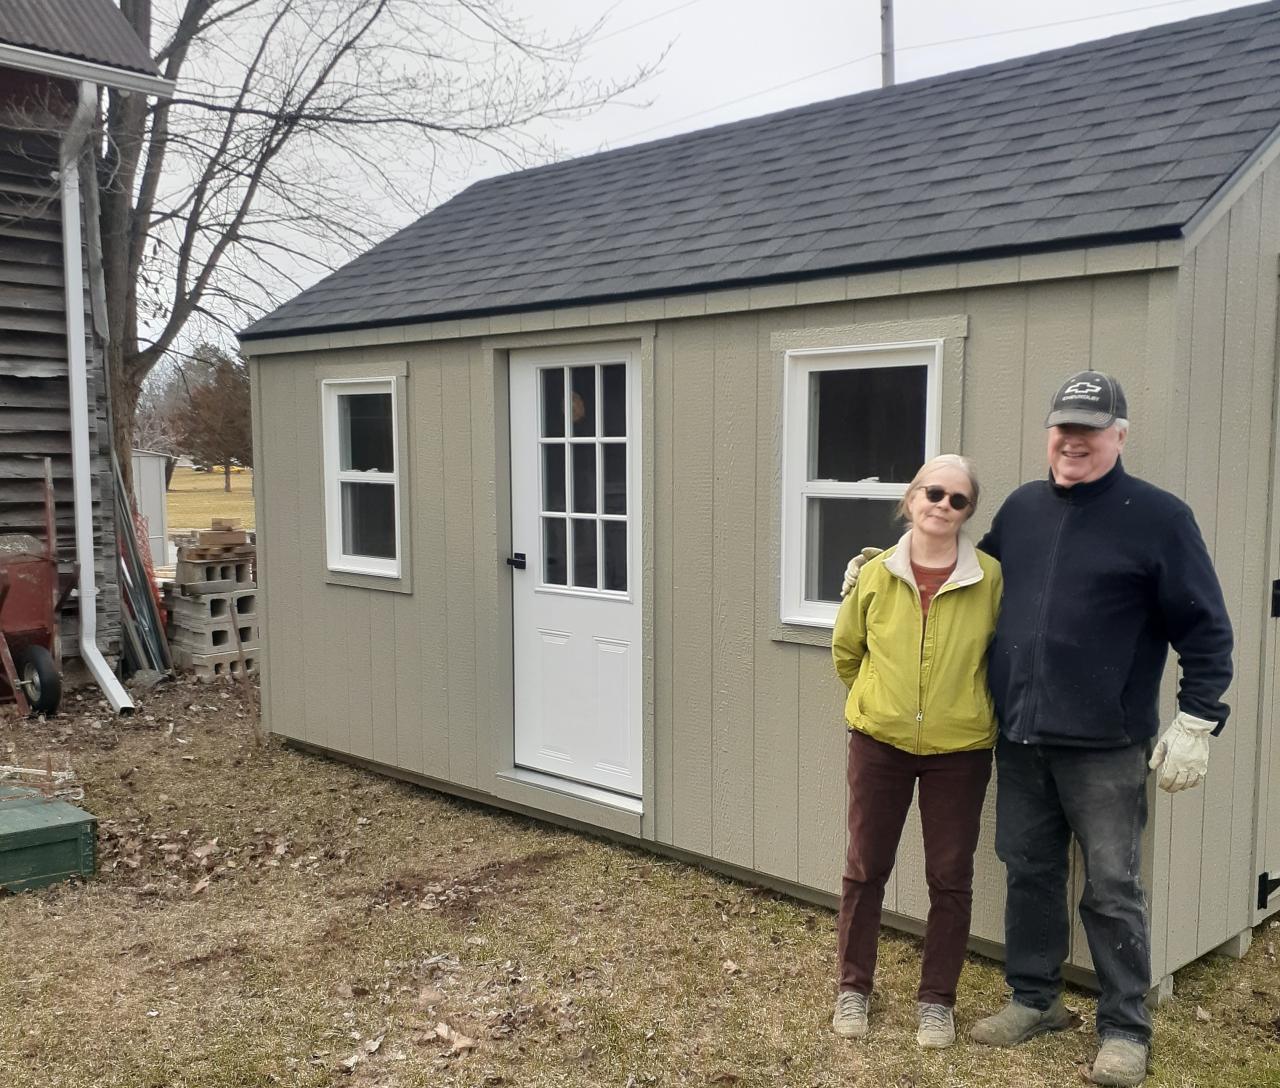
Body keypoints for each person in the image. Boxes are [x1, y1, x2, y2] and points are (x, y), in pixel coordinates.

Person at [840, 371, 1233, 1088]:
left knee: (1112, 886)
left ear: (1118, 434)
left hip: (1106, 745)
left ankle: (1124, 1028)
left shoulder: (1159, 519)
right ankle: (1034, 999)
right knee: (1030, 871)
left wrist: (1198, 717)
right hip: (1019, 735)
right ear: (1049, 433)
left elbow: (1206, 626)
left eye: (1090, 428)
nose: (1073, 441)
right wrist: (881, 566)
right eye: (1063, 427)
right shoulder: (1021, 510)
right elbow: (963, 570)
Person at [831, 454, 1002, 1050]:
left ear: (968, 513)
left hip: (960, 750)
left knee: (950, 877)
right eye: (934, 492)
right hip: (879, 744)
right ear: (911, 497)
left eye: (958, 500)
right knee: (864, 868)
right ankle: (853, 988)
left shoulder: (990, 580)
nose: (943, 506)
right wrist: (881, 704)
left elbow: (998, 661)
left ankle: (937, 1001)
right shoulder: (875, 574)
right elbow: (847, 651)